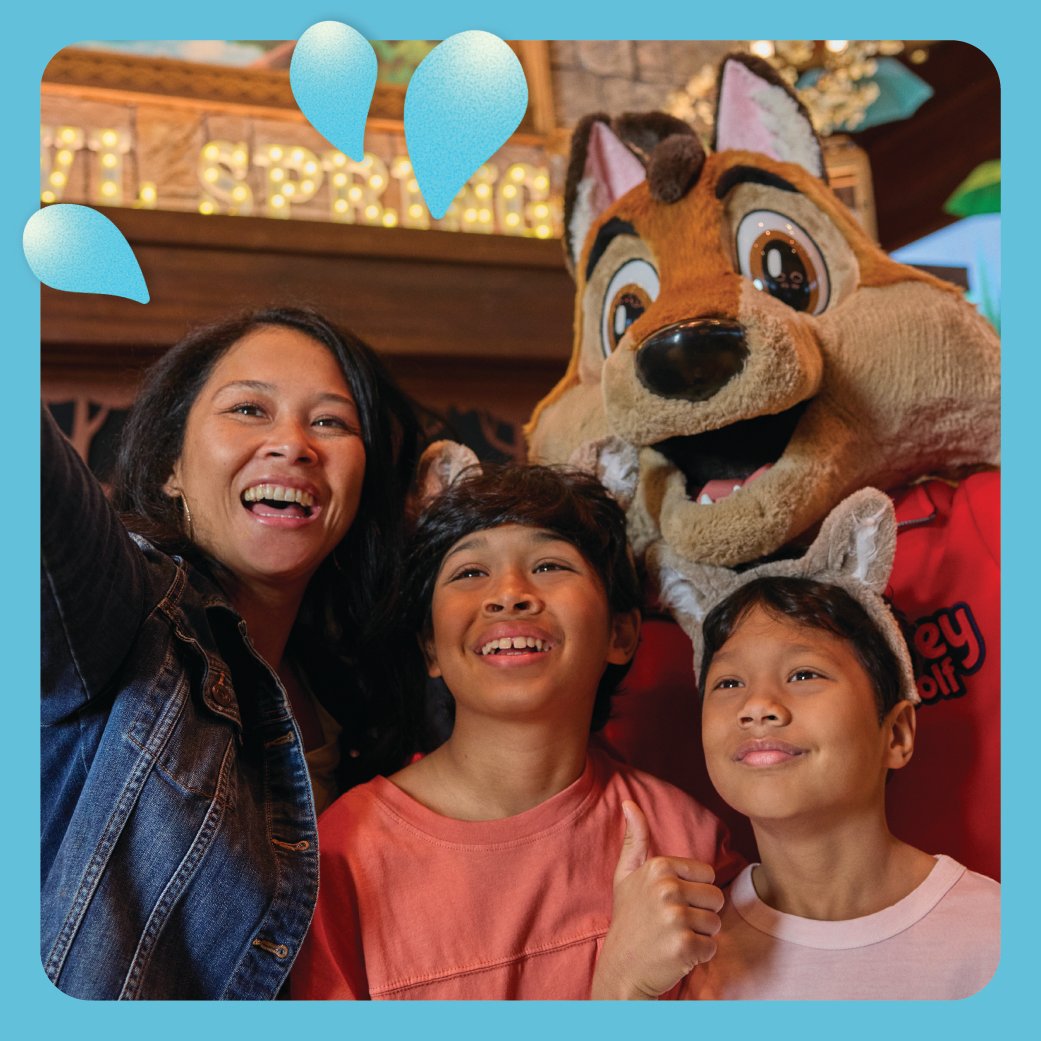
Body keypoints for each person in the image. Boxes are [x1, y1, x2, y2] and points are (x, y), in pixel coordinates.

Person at [41, 306, 421, 1000]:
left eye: (330, 421)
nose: (293, 444)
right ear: (169, 468)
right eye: (249, 408)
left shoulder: (361, 694)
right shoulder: (128, 613)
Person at [291, 463, 741, 999]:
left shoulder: (688, 842)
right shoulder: (343, 857)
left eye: (550, 565)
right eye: (468, 573)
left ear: (620, 634)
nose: (508, 594)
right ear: (431, 647)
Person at [598, 572, 1000, 999]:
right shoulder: (679, 949)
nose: (756, 707)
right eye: (729, 683)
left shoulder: (996, 932)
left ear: (896, 734)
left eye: (804, 674)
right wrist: (623, 987)